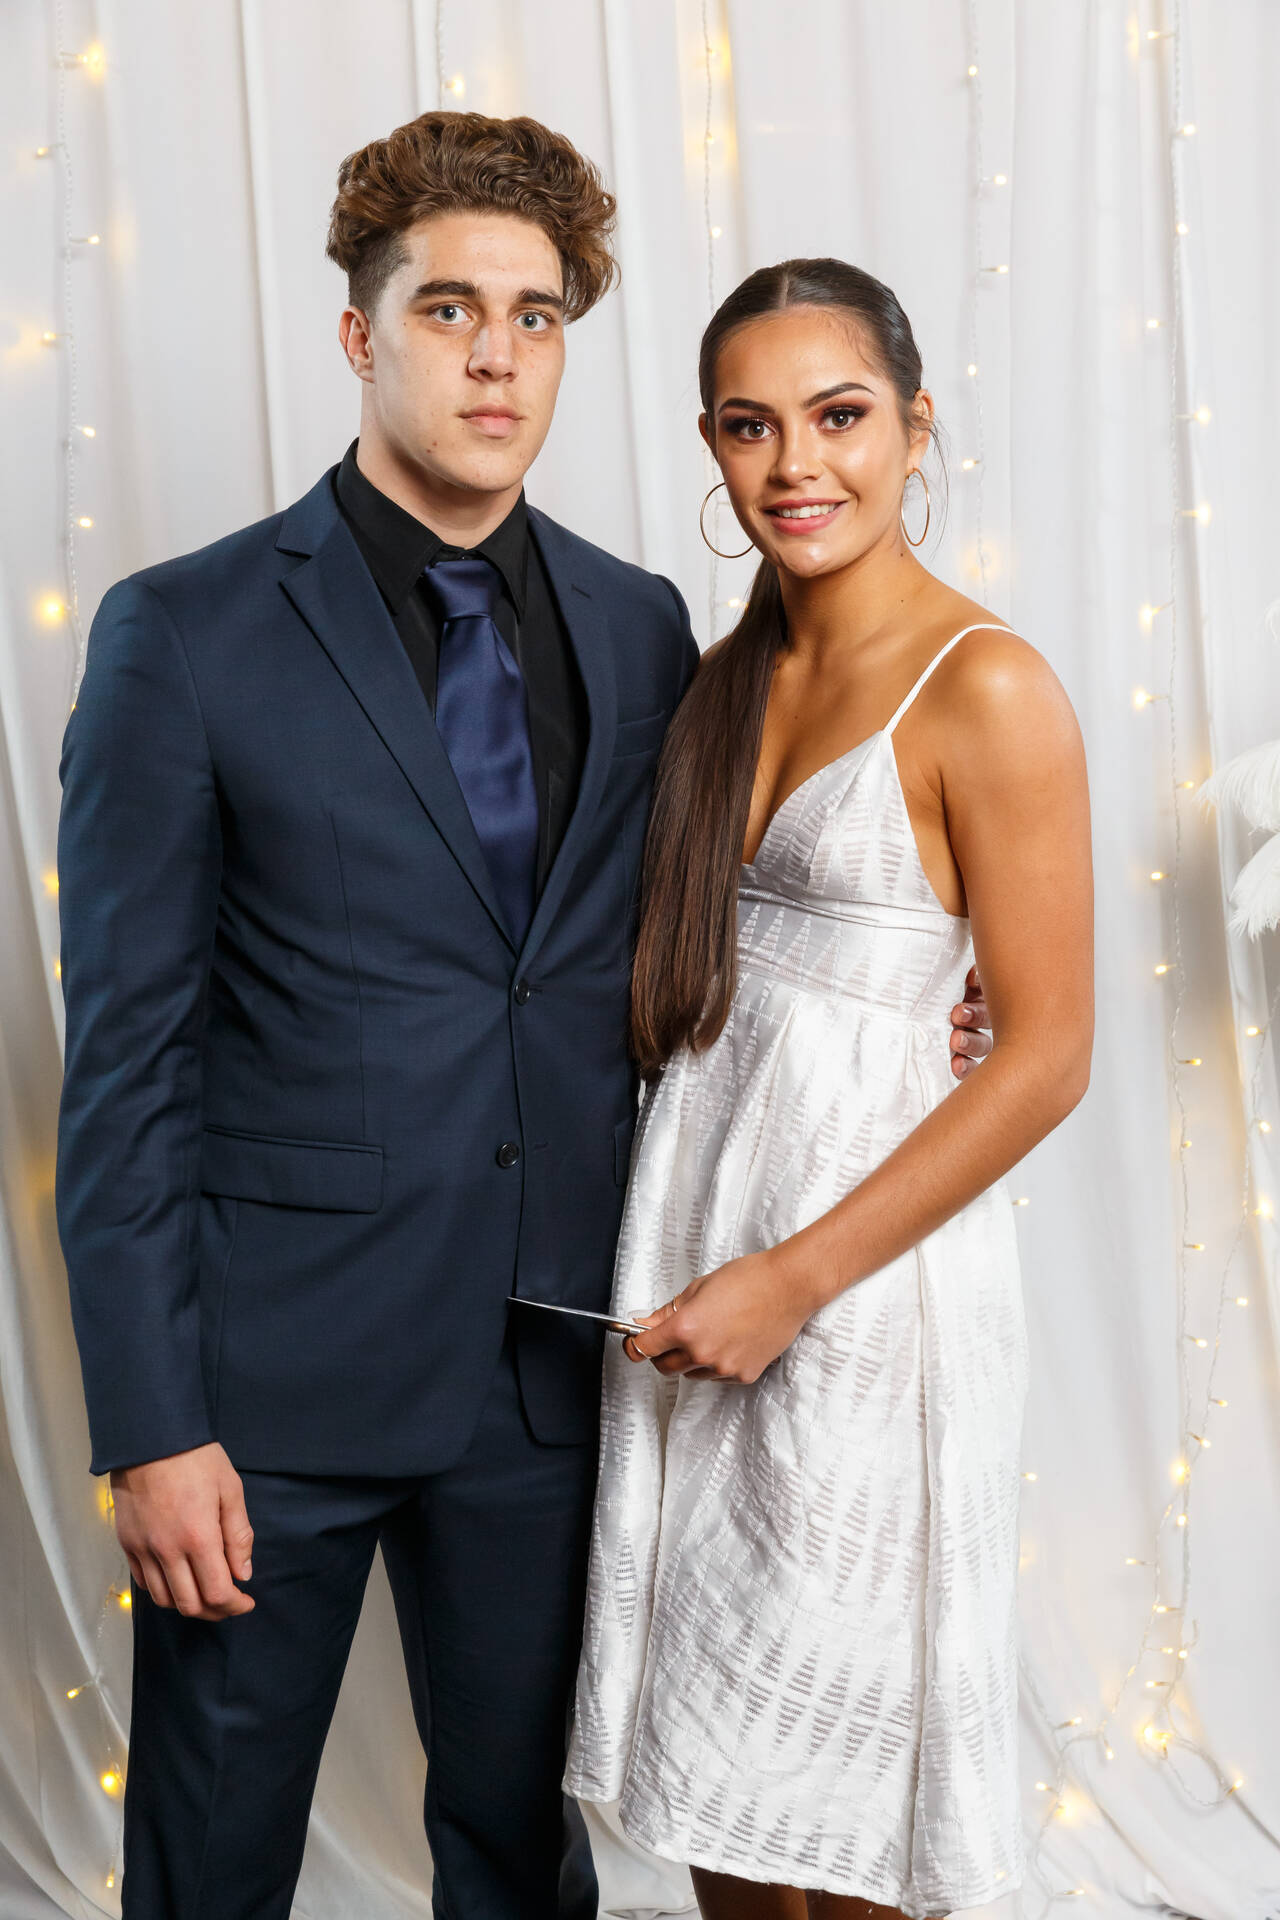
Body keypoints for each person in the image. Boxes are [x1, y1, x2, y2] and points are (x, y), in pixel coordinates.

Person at [54, 108, 993, 1920]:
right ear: (361, 333)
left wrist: (923, 1014)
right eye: (450, 310)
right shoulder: (187, 632)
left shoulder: (644, 631)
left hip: (560, 1368)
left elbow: (707, 932)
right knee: (212, 1862)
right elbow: (127, 1070)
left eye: (538, 316)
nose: (497, 357)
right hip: (270, 1393)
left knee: (522, 1859)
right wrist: (152, 1425)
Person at [565, 258, 1094, 1920]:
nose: (796, 464)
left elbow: (1049, 1057)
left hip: (862, 1286)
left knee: (842, 1781)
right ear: (711, 447)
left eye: (841, 415)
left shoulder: (987, 687)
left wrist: (791, 1281)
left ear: (918, 428)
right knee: (721, 1751)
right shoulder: (721, 678)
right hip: (698, 1234)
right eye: (751, 425)